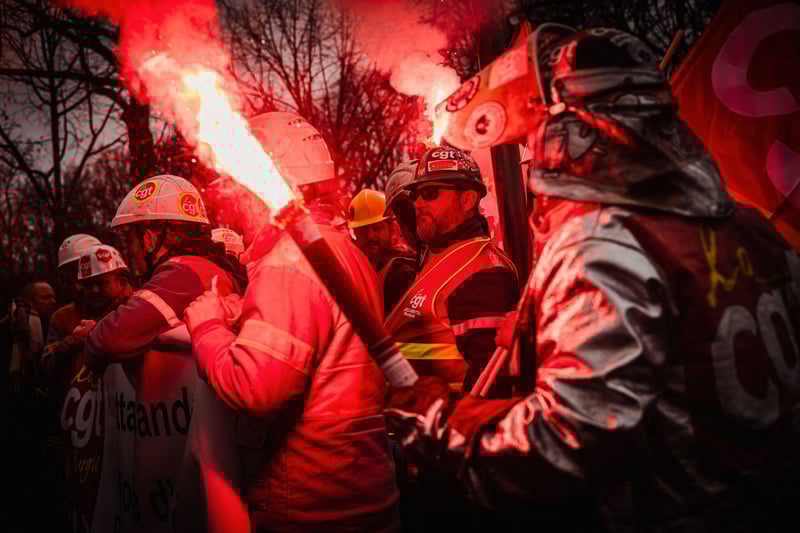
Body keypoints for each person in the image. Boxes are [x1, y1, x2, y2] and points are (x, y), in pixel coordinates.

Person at [384, 26, 800, 532]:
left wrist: (437, 428)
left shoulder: (602, 244)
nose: (534, 158)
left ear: (576, 133)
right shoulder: (752, 225)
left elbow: (570, 443)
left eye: (536, 138)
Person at [184, 111, 401, 533]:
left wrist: (208, 327)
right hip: (360, 493)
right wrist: (245, 312)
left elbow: (257, 388)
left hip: (309, 506)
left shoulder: (289, 262)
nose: (234, 206)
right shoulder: (340, 249)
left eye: (236, 191)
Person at [81, 174, 244, 533]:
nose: (133, 248)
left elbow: (109, 340)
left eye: (133, 236)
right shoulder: (207, 267)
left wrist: (89, 338)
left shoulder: (184, 274)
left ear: (155, 236)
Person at [384, 146, 520, 398]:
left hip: (440, 430)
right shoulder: (443, 256)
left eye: (430, 193)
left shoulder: (482, 272)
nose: (418, 203)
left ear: (467, 200)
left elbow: (490, 385)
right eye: (416, 194)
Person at [40, 244, 134, 533]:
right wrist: (70, 344)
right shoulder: (64, 318)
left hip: (127, 425)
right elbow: (44, 372)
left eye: (100, 283)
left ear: (120, 279)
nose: (93, 292)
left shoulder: (139, 308)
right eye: (87, 285)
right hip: (82, 433)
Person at [348, 189, 417, 315]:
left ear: (390, 228)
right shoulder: (367, 271)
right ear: (355, 235)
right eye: (363, 230)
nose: (370, 236)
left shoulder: (401, 272)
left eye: (377, 228)